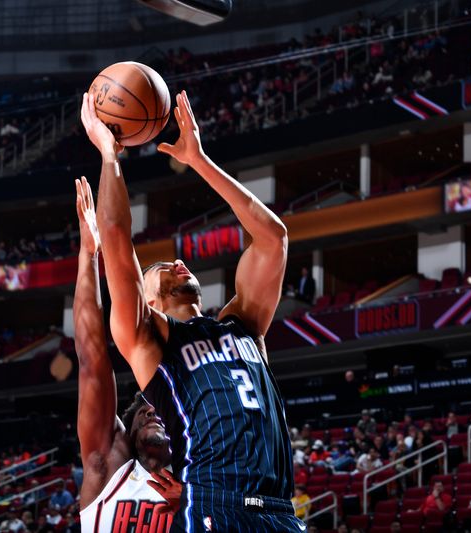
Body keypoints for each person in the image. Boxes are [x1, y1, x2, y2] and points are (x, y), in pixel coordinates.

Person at [82, 89, 303, 531]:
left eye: (178, 262)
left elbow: (273, 238)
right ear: (145, 302)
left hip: (280, 513)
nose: (178, 263)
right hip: (214, 510)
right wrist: (110, 156)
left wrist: (198, 160)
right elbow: (116, 236)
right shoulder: (149, 341)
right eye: (161, 267)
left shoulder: (244, 326)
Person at [72, 177, 180, 531]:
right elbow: (91, 358)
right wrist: (89, 256)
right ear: (127, 435)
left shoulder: (203, 485)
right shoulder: (109, 468)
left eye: (159, 408)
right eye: (145, 412)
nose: (153, 413)